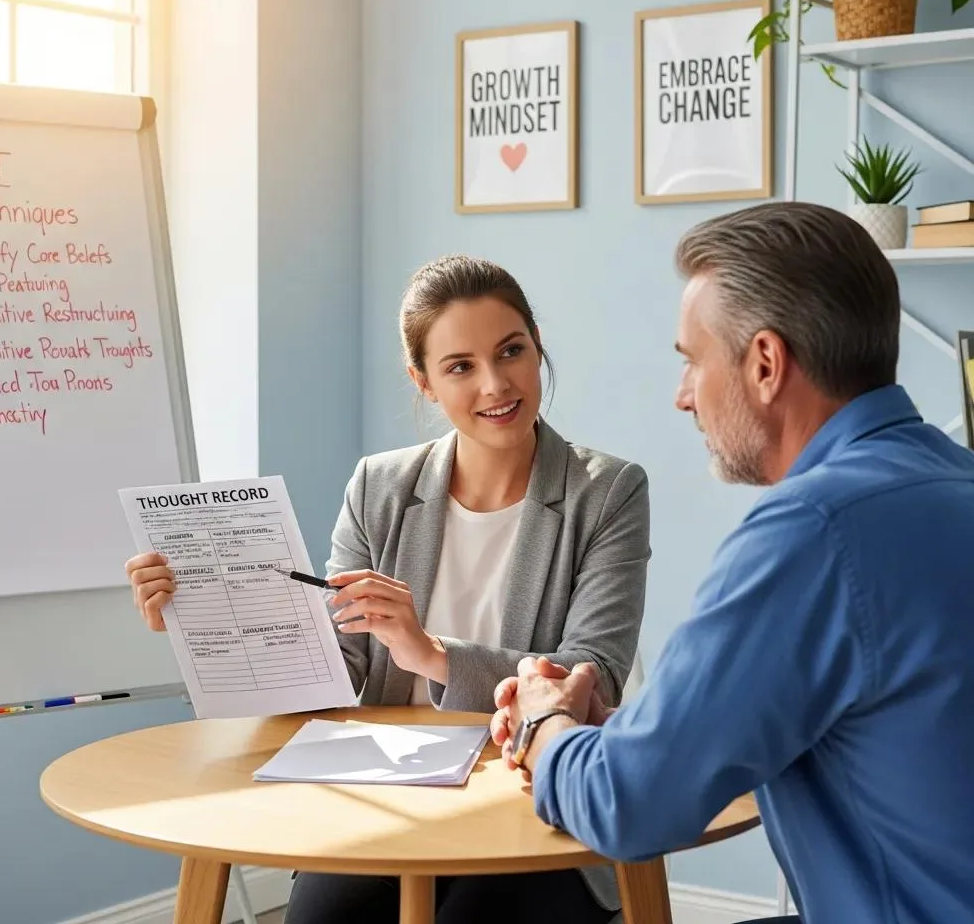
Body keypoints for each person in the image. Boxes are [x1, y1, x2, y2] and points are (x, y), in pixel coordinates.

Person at [125, 254, 651, 924]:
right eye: (460, 366)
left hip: (530, 793)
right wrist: (199, 617)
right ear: (424, 382)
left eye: (511, 351)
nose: (496, 384)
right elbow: (330, 669)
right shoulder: (379, 485)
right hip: (389, 790)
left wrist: (431, 654)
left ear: (536, 347)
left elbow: (593, 677)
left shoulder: (607, 492)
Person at [490, 201, 974, 924]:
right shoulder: (952, 480)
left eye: (692, 361)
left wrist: (543, 726)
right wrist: (625, 730)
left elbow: (631, 806)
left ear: (766, 365)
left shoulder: (813, 531)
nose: (683, 397)